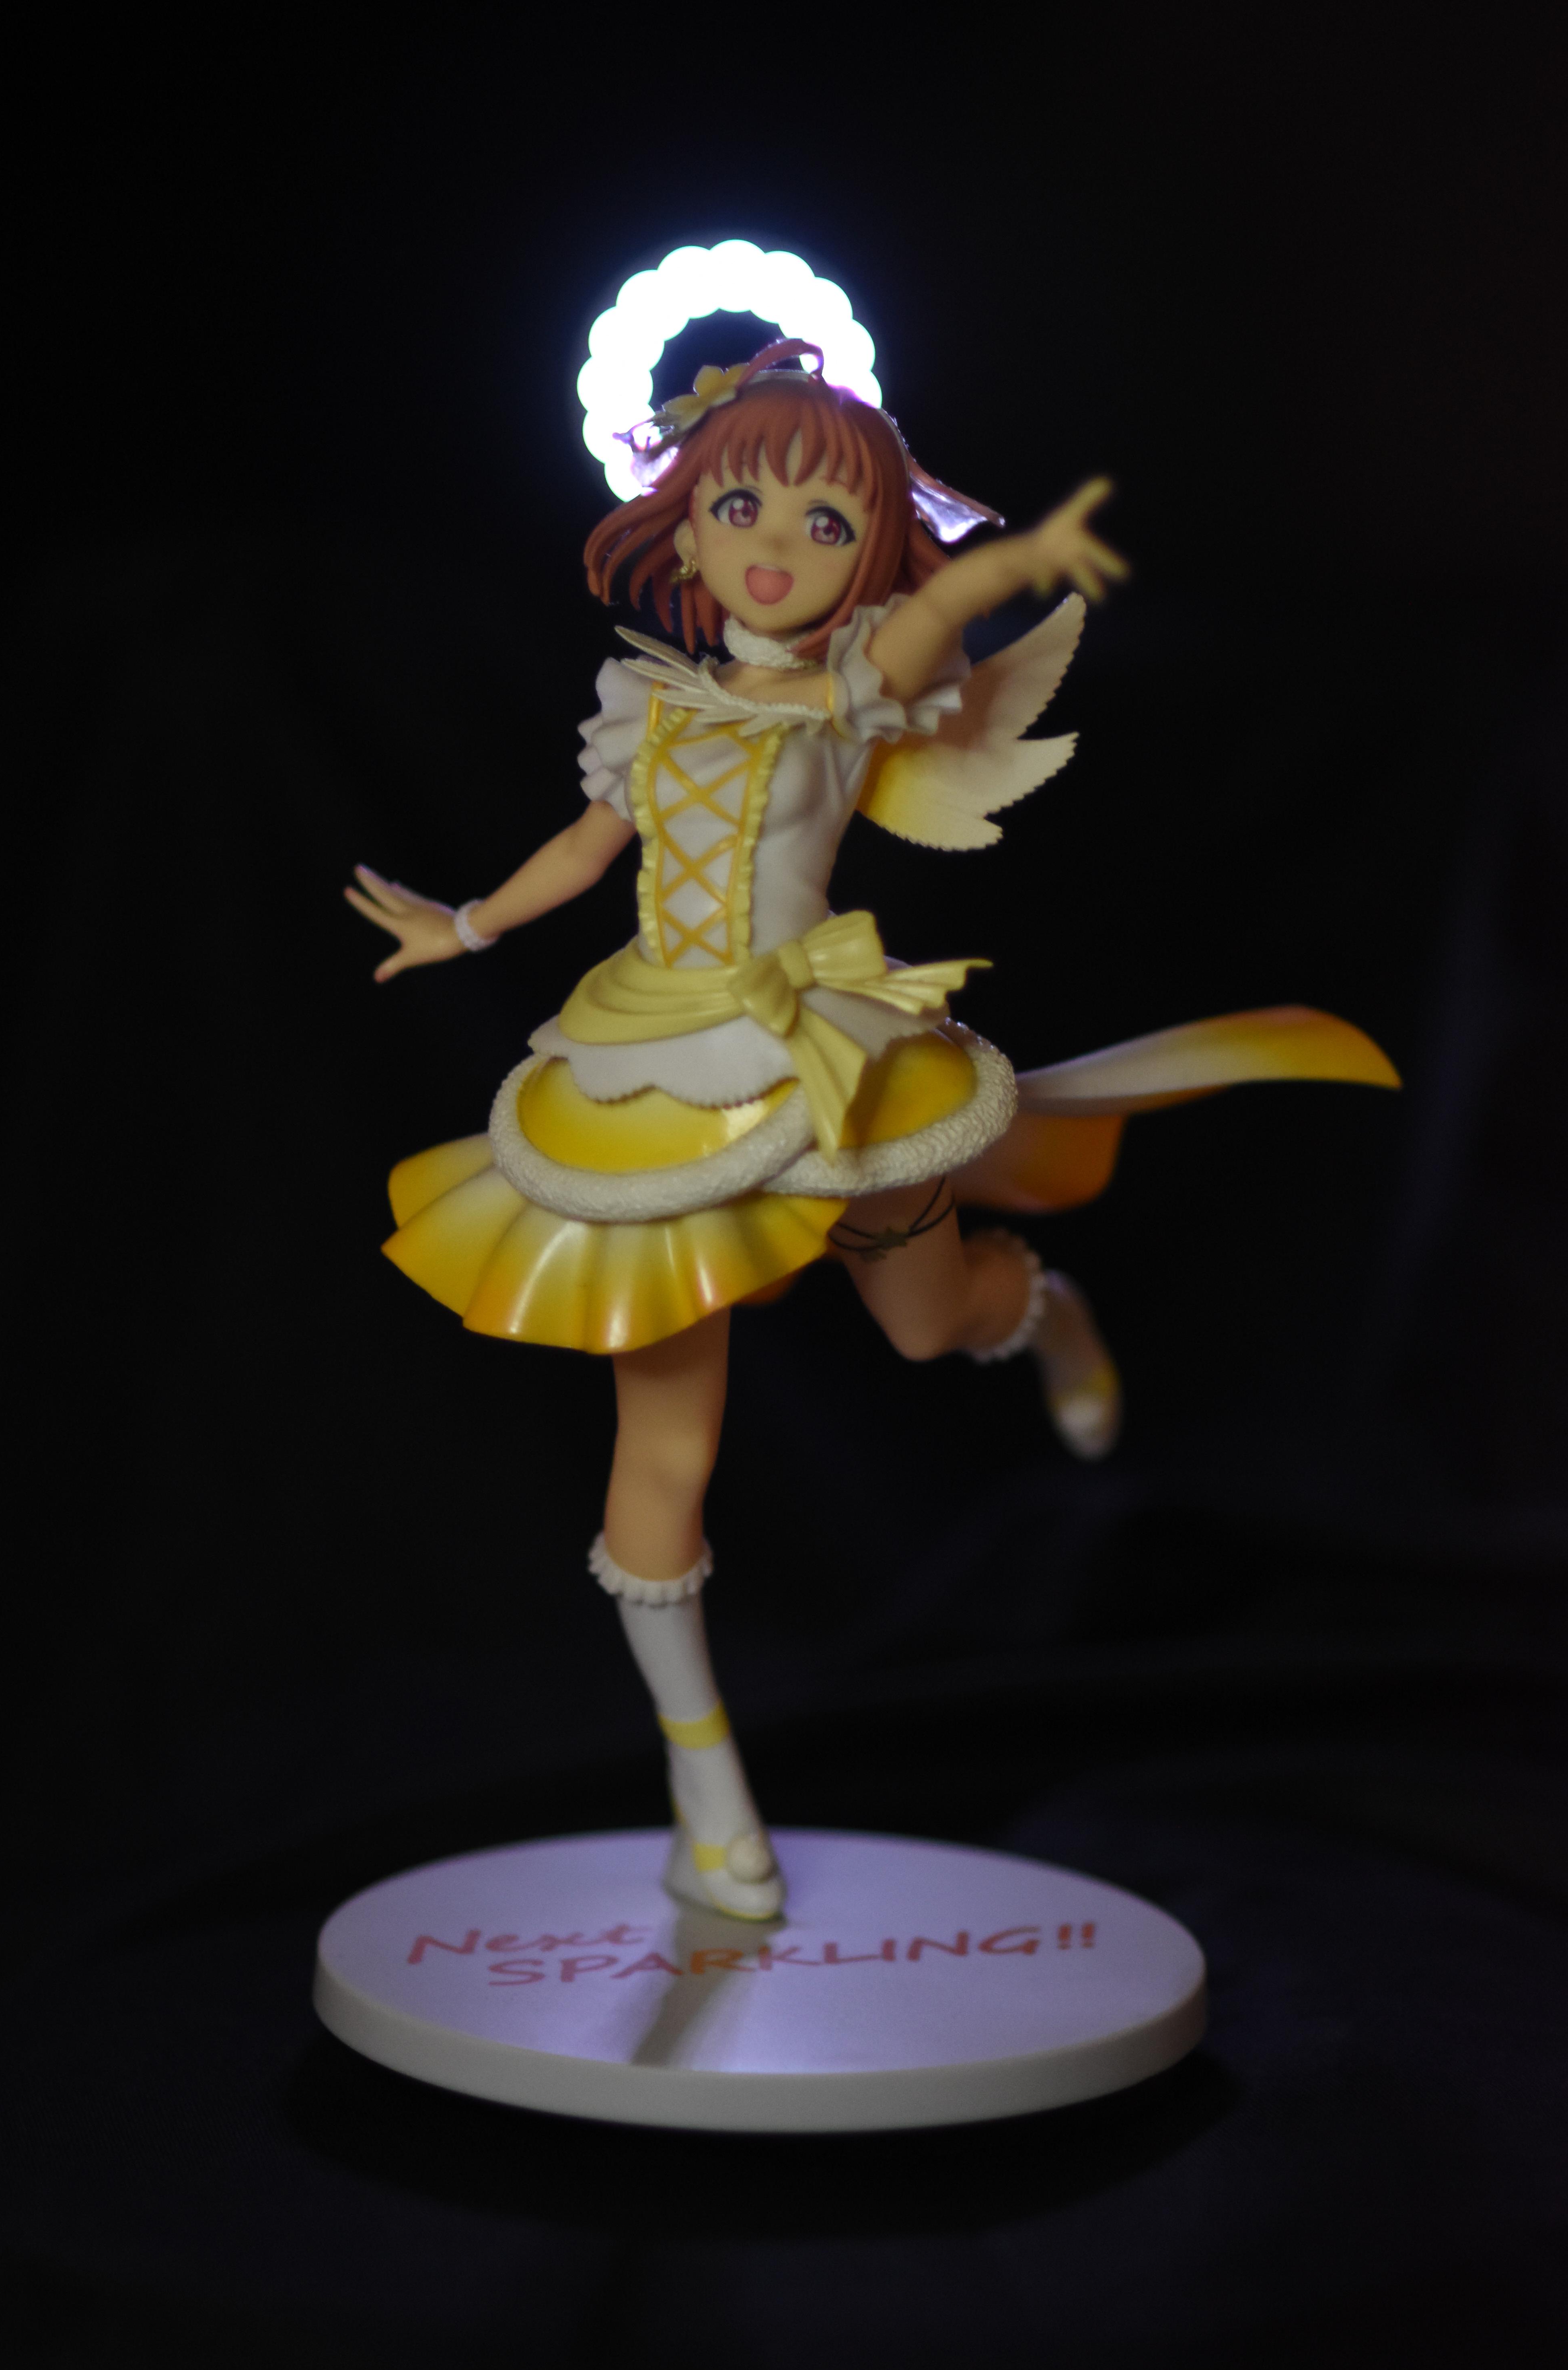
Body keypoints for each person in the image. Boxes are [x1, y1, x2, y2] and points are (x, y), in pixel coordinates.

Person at [345, 339, 1397, 1920]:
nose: (775, 545)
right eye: (742, 506)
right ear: (685, 521)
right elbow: (583, 849)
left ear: (871, 556)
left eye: (827, 524)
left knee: (925, 1328)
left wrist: (1017, 563)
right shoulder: (648, 706)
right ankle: (709, 1797)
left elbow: (937, 609)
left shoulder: (848, 698)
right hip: (647, 1076)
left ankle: (1043, 1310)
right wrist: (470, 926)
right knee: (666, 1457)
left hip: (824, 1062)